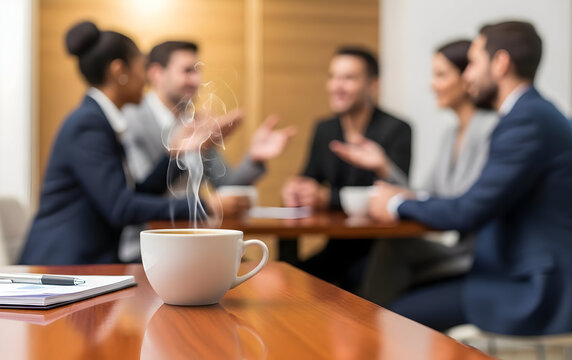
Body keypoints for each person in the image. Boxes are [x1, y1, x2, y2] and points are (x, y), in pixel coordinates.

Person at [369, 21, 572, 336]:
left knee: (395, 315)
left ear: (501, 63)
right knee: (397, 295)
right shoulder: (531, 115)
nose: (467, 75)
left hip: (538, 291)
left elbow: (468, 211)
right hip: (518, 276)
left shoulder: (527, 121)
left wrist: (397, 204)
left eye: (474, 62)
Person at [20, 22, 216, 265]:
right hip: (61, 267)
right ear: (118, 71)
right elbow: (121, 208)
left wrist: (175, 154)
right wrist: (203, 206)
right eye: (142, 68)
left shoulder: (99, 119)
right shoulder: (88, 124)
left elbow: (132, 195)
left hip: (85, 265)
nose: (146, 79)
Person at [119, 41, 295, 261]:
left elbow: (225, 184)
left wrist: (254, 157)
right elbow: (139, 195)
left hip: (194, 240)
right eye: (187, 71)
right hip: (147, 248)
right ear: (156, 73)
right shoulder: (132, 119)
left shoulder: (194, 122)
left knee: (260, 274)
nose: (196, 80)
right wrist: (181, 153)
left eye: (198, 71)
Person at [354, 40, 498, 306]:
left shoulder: (489, 130)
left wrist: (398, 202)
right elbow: (426, 194)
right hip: (453, 245)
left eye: (441, 75)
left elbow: (460, 204)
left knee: (390, 253)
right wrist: (385, 168)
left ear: (466, 77)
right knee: (377, 261)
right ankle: (372, 327)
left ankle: (369, 330)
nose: (433, 84)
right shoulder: (451, 134)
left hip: (472, 254)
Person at [281, 46, 412, 289]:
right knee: (287, 284)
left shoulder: (397, 130)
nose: (336, 86)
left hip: (378, 254)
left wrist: (325, 197)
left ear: (372, 85)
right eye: (333, 77)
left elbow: (395, 195)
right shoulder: (325, 129)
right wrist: (297, 189)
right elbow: (309, 178)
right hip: (335, 249)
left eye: (348, 78)